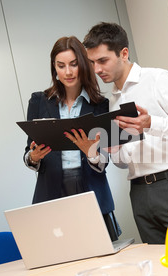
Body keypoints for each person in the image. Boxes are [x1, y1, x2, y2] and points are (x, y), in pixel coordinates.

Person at [83, 23, 168, 244]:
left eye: (102, 61)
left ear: (124, 53)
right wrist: (115, 151)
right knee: (162, 271)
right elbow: (124, 163)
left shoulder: (157, 79)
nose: (96, 69)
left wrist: (152, 124)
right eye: (92, 62)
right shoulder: (113, 101)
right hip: (139, 193)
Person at [24, 36, 121, 241]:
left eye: (73, 64)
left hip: (91, 189)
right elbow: (28, 155)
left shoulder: (100, 106)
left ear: (83, 65)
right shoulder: (39, 102)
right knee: (59, 258)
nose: (68, 72)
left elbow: (104, 163)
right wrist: (34, 156)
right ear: (54, 69)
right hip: (51, 191)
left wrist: (91, 152)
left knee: (98, 255)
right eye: (61, 66)